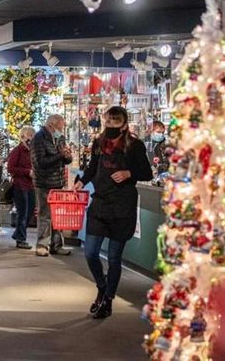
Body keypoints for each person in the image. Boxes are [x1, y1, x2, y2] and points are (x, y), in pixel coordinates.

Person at [75, 106, 153, 319]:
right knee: (90, 252)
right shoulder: (98, 144)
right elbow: (92, 167)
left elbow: (147, 172)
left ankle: (108, 299)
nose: (110, 125)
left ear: (125, 124)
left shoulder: (135, 146)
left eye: (115, 121)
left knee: (114, 258)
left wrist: (129, 172)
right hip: (100, 204)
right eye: (108, 121)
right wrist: (82, 181)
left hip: (123, 205)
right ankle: (102, 286)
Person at [31, 114, 73, 257]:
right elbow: (40, 162)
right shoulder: (38, 138)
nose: (62, 130)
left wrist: (67, 156)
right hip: (44, 182)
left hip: (58, 182)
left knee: (58, 216)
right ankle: (42, 245)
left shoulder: (60, 138)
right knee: (45, 215)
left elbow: (65, 160)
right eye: (60, 127)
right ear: (51, 125)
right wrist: (60, 155)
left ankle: (57, 244)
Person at [7, 126, 37, 250]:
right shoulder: (17, 151)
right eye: (29, 135)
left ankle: (18, 233)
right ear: (23, 136)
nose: (31, 138)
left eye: (33, 135)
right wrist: (27, 172)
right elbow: (11, 168)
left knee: (29, 212)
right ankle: (20, 239)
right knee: (23, 213)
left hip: (31, 185)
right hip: (20, 185)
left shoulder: (33, 151)